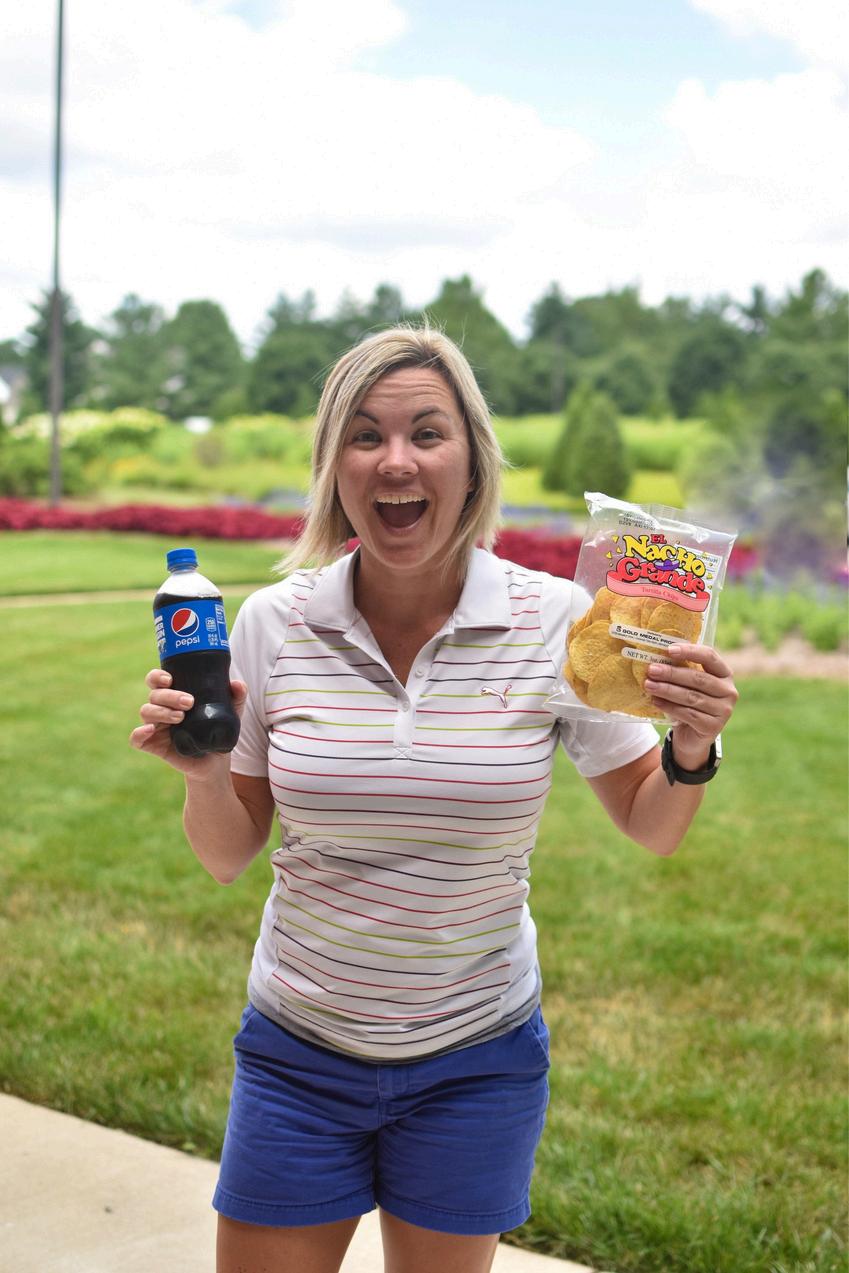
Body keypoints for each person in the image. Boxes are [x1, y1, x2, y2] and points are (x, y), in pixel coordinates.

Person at [130, 326, 738, 1273]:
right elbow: (225, 854)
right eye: (364, 435)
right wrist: (204, 773)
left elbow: (651, 823)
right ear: (333, 466)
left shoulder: (555, 621)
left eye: (426, 431)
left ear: (472, 461)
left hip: (476, 1057)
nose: (395, 460)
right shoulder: (272, 622)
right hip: (300, 1048)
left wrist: (690, 746)